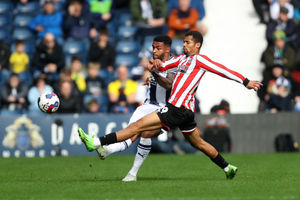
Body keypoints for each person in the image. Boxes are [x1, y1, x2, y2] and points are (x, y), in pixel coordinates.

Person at [78, 31, 263, 180]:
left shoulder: (201, 60)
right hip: (185, 112)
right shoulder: (181, 59)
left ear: (197, 45)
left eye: (188, 42)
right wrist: (156, 64)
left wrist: (245, 81)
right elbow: (164, 66)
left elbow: (223, 70)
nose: (184, 45)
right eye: (183, 42)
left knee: (137, 126)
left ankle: (96, 142)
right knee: (199, 143)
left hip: (177, 108)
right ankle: (227, 167)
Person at [97, 35, 176, 182]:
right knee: (131, 130)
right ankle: (111, 151)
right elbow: (157, 81)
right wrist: (151, 79)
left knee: (144, 133)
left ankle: (130, 171)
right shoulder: (153, 63)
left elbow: (168, 85)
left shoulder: (174, 64)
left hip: (165, 109)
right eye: (153, 47)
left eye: (158, 48)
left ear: (167, 48)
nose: (154, 50)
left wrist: (153, 73)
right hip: (147, 106)